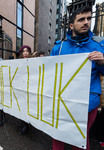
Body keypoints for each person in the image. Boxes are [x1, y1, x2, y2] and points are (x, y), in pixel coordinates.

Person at [50, 6, 104, 150]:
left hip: (88, 104)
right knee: (58, 136)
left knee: (80, 140)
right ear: (72, 25)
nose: (86, 22)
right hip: (62, 101)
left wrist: (103, 62)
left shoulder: (99, 46)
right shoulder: (59, 48)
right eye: (81, 19)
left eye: (88, 18)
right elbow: (49, 75)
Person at [18, 45, 32, 135]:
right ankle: (24, 124)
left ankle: (27, 124)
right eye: (23, 51)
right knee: (22, 106)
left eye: (27, 51)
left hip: (30, 87)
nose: (25, 53)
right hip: (21, 87)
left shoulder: (33, 62)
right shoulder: (18, 62)